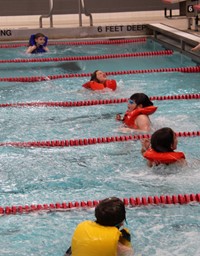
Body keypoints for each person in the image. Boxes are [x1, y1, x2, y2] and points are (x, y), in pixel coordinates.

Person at [65, 197, 134, 256]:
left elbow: (70, 252)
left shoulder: (83, 229)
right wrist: (126, 242)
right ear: (121, 223)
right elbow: (129, 253)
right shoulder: (118, 247)